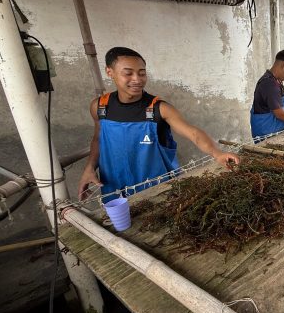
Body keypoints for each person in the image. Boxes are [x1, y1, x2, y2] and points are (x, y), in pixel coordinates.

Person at [78, 47, 239, 202]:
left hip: (158, 192)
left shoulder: (159, 108)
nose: (137, 79)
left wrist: (217, 153)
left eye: (142, 74)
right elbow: (98, 139)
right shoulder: (100, 107)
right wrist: (90, 166)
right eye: (128, 73)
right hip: (114, 191)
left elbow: (194, 134)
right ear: (109, 72)